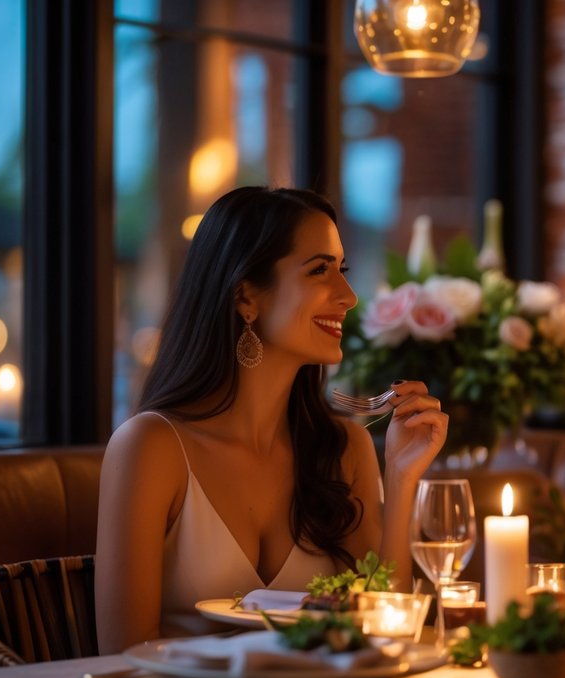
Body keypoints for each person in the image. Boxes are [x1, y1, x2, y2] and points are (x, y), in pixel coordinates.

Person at [96, 186, 448, 652]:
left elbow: (384, 634)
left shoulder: (343, 448)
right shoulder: (151, 447)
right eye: (320, 270)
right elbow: (123, 654)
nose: (348, 296)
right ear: (246, 297)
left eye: (342, 270)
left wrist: (401, 479)